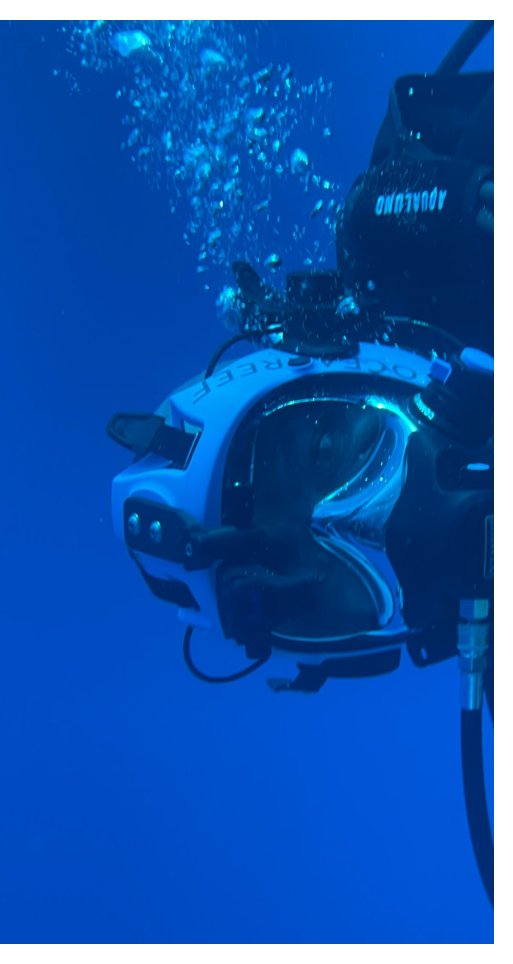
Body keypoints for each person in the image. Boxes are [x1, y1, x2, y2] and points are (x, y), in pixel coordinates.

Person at [106, 20, 494, 907]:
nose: (381, 522)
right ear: (363, 650)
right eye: (322, 584)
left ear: (337, 357)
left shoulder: (457, 257)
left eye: (330, 448)